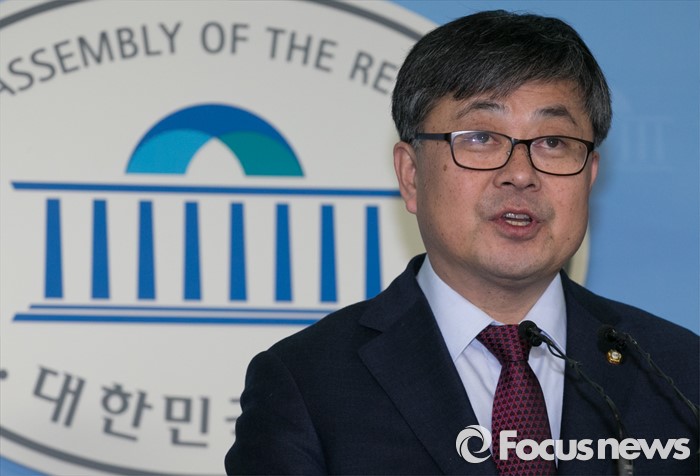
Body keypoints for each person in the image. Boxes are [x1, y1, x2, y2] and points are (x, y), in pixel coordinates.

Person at [225, 10, 699, 475]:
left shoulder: (679, 374)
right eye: (481, 137)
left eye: (553, 142)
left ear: (589, 176)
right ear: (411, 175)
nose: (520, 174)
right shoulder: (307, 386)